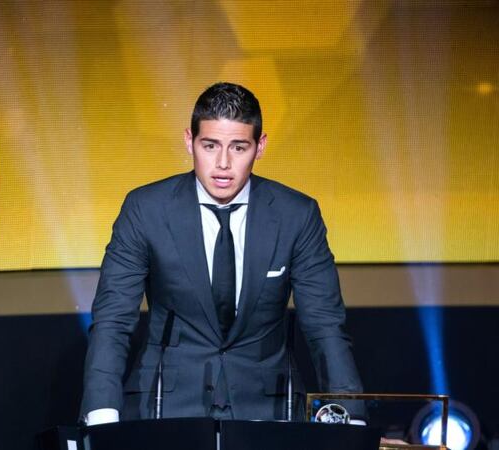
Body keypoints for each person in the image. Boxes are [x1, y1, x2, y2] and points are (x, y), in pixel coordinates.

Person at [80, 82, 363, 425]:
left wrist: (351, 418)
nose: (223, 163)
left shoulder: (296, 215)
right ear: (190, 141)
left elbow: (325, 326)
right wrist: (101, 417)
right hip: (165, 410)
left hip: (269, 413)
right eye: (210, 145)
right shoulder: (146, 209)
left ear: (260, 147)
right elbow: (113, 319)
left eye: (239, 147)